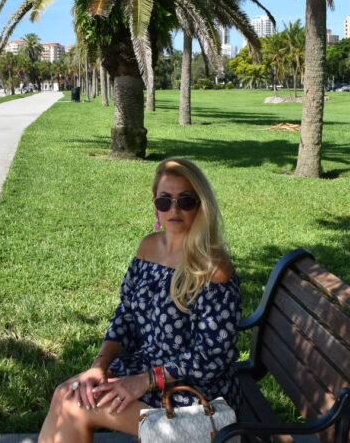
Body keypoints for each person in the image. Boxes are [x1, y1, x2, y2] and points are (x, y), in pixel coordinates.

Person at [38, 158, 241, 442]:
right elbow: (127, 316)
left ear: (201, 205)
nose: (174, 209)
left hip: (193, 391)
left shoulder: (212, 267)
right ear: (155, 203)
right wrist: (100, 364)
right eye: (164, 201)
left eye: (185, 201)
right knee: (65, 392)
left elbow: (211, 357)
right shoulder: (148, 247)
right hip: (147, 371)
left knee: (77, 406)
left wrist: (144, 381)